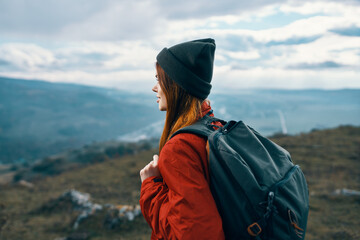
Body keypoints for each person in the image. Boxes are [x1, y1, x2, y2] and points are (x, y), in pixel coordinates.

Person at [139, 38, 225, 240]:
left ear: (175, 85)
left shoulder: (180, 148)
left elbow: (193, 234)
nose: (154, 87)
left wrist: (150, 185)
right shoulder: (215, 128)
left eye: (159, 79)